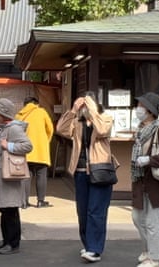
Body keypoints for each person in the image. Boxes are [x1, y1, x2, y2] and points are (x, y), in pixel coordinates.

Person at [56, 91, 115, 263]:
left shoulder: (105, 118)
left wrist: (93, 111)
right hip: (80, 171)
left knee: (96, 212)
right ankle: (89, 244)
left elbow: (103, 130)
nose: (85, 108)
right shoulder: (77, 122)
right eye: (83, 105)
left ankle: (94, 249)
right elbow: (61, 129)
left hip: (100, 171)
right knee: (82, 212)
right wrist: (73, 110)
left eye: (87, 105)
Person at [131, 92, 159, 267]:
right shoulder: (141, 130)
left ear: (150, 111)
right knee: (137, 218)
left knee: (152, 223)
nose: (138, 109)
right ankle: (147, 251)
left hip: (157, 184)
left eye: (141, 106)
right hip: (141, 182)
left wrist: (150, 160)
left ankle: (154, 258)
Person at [0, 98, 32, 255]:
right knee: (4, 209)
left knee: (10, 210)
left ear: (2, 113)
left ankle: (13, 244)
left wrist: (9, 146)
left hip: (9, 177)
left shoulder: (13, 129)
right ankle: (6, 240)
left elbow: (27, 146)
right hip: (1, 177)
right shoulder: (0, 129)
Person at [15, 96, 54, 208]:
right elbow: (50, 129)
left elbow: (15, 133)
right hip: (41, 150)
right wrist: (46, 141)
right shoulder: (41, 112)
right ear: (36, 103)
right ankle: (40, 201)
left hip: (25, 151)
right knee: (41, 175)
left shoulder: (19, 115)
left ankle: (24, 202)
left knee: (26, 176)